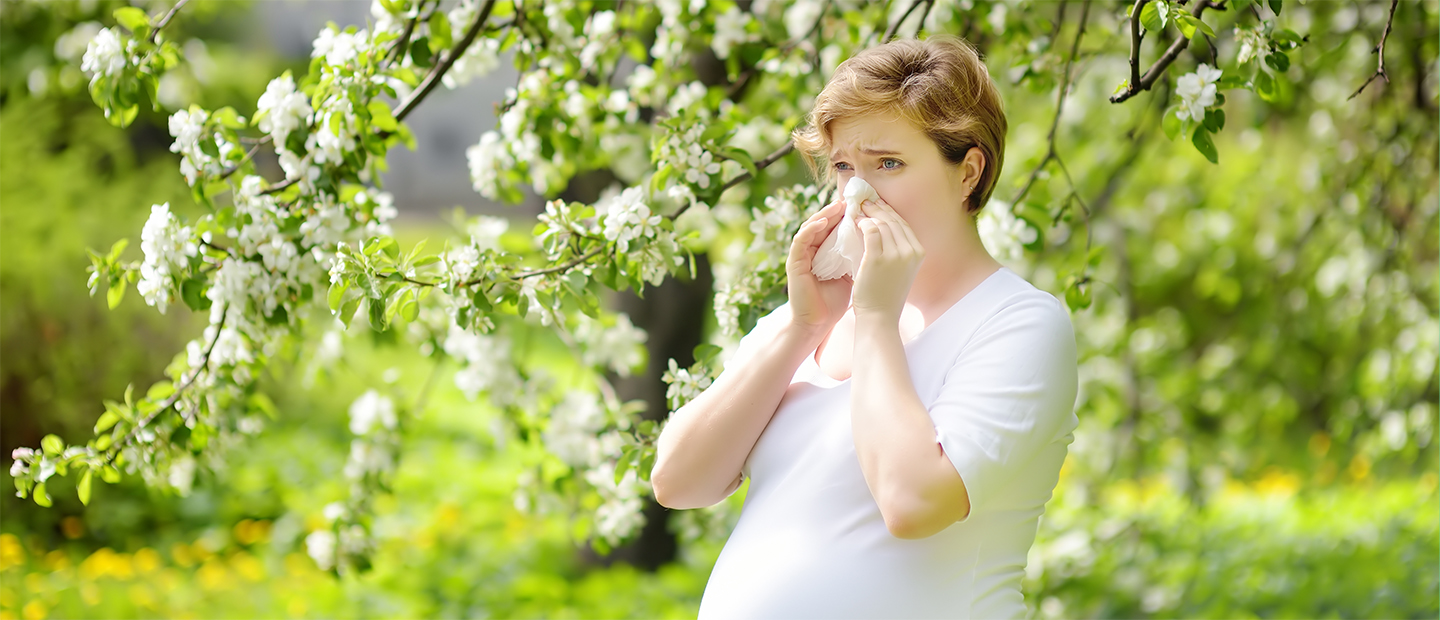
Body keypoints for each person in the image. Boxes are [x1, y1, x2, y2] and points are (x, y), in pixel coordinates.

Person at [650, 34, 1079, 620]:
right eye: (845, 166)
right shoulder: (812, 317)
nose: (857, 192)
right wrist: (804, 324)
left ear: (968, 173)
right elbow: (678, 482)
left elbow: (912, 502)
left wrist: (876, 318)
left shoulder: (1019, 325)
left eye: (889, 164)